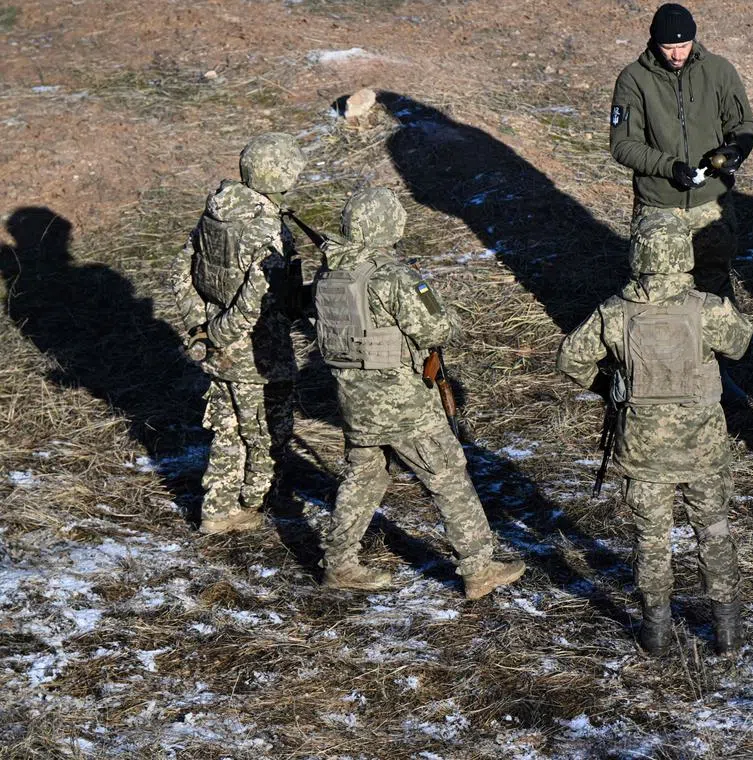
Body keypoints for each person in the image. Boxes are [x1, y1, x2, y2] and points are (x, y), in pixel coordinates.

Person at [311, 188, 525, 597]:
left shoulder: (329, 276)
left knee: (364, 476)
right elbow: (436, 330)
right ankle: (479, 567)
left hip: (355, 399)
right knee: (447, 475)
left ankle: (338, 563)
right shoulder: (393, 276)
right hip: (402, 402)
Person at [556, 229, 753, 655]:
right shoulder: (707, 309)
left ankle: (656, 630)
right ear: (683, 258)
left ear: (637, 258)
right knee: (714, 531)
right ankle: (727, 629)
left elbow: (569, 357)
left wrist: (608, 384)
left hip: (643, 451)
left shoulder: (614, 311)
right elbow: (741, 343)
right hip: (702, 448)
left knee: (651, 538)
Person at [171, 133, 302, 535]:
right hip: (259, 352)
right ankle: (254, 500)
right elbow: (261, 294)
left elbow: (180, 270)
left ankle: (216, 508)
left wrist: (201, 326)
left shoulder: (214, 215)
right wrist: (223, 332)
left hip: (216, 348)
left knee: (226, 428)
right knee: (265, 430)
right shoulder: (266, 229)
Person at [609, 2, 753, 302]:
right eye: (668, 47)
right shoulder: (633, 79)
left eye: (684, 45)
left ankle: (733, 348)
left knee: (714, 284)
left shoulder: (718, 71)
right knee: (659, 294)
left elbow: (742, 123)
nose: (677, 54)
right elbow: (622, 144)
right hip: (660, 204)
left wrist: (736, 151)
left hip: (712, 202)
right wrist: (669, 166)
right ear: (654, 42)